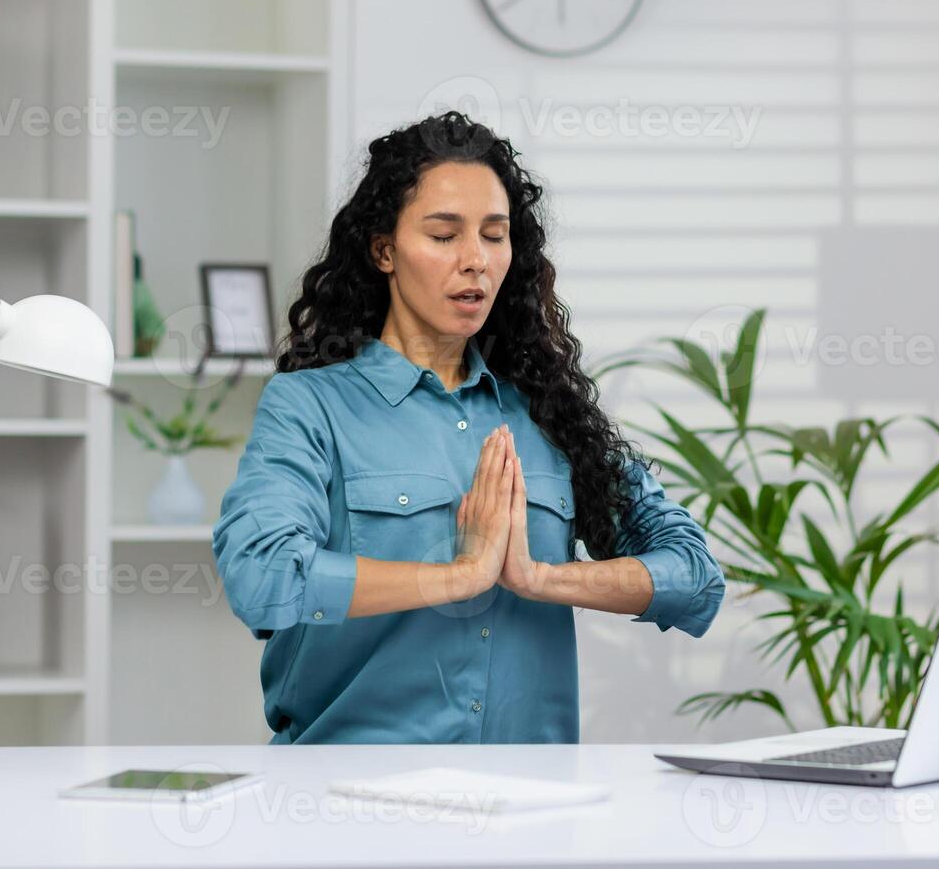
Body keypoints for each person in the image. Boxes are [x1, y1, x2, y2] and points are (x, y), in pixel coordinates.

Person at [212, 111, 725, 744]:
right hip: (349, 805)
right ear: (384, 250)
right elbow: (260, 576)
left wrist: (540, 578)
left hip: (529, 809)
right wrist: (456, 576)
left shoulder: (548, 410)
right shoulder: (310, 406)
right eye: (444, 235)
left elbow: (695, 577)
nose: (475, 261)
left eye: (494, 235)